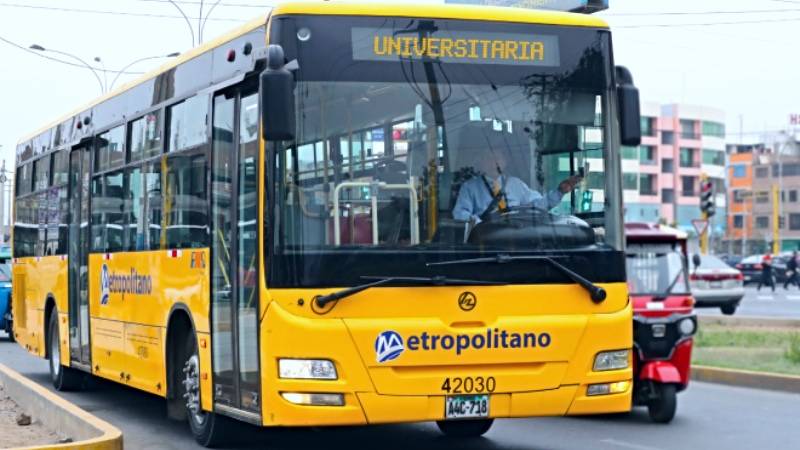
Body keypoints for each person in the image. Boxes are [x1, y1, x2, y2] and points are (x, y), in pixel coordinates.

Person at [452, 139, 581, 223]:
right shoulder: (469, 187)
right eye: (489, 158)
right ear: (481, 162)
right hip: (486, 243)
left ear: (505, 162)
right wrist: (480, 224)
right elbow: (459, 213)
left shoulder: (515, 184)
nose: (494, 163)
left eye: (498, 158)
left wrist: (559, 192)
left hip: (516, 241)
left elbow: (538, 206)